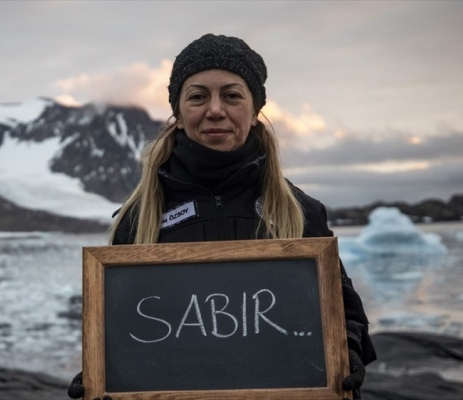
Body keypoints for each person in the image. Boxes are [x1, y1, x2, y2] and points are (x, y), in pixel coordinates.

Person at [68, 33, 376, 399]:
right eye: (198, 96)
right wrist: (104, 376)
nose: (215, 109)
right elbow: (120, 330)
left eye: (231, 95)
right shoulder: (138, 218)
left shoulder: (299, 211)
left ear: (255, 109)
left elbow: (343, 311)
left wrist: (348, 352)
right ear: (179, 114)